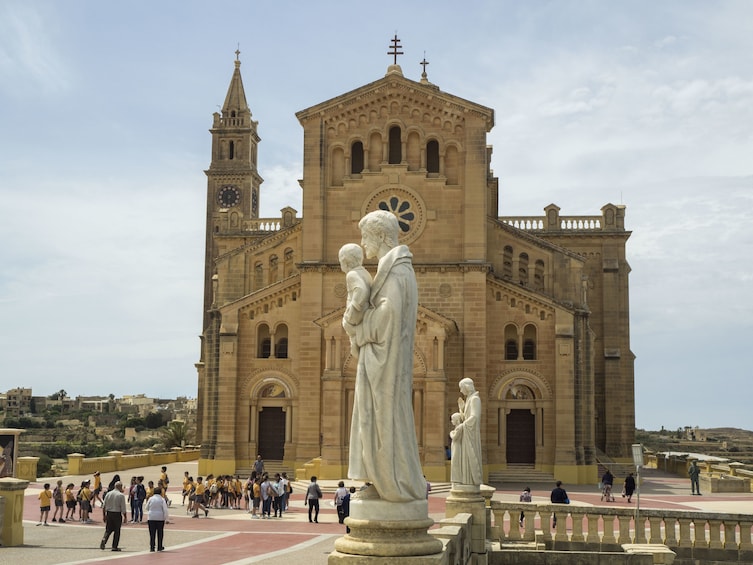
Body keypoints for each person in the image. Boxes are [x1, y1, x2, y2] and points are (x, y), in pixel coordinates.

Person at [344, 210, 425, 503]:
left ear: (379, 236)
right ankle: (380, 480)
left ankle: (389, 480)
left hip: (384, 362)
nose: (363, 245)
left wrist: (357, 326)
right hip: (380, 360)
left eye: (365, 237)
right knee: (374, 420)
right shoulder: (394, 268)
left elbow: (387, 316)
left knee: (380, 418)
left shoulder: (397, 270)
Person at [339, 242, 372, 356]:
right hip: (365, 313)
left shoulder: (352, 274)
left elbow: (361, 290)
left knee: (355, 347)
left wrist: (351, 311)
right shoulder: (365, 273)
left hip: (357, 315)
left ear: (345, 261)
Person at [449, 378, 483, 486]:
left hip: (471, 433)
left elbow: (474, 417)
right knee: (466, 458)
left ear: (467, 387)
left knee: (471, 456)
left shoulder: (474, 399)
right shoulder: (469, 399)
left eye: (461, 388)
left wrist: (461, 426)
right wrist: (462, 409)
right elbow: (466, 417)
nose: (461, 391)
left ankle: (472, 480)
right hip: (467, 432)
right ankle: (466, 480)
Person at [100, 481, 127, 552]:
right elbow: (123, 508)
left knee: (108, 529)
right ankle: (114, 546)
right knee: (117, 531)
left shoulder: (108, 494)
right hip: (117, 514)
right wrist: (125, 517)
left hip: (109, 513)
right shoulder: (121, 495)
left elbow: (104, 506)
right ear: (120, 487)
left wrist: (104, 515)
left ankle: (104, 539)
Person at [146, 485, 169, 552]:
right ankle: (159, 546)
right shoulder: (162, 499)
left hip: (151, 517)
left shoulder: (150, 499)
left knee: (152, 533)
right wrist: (166, 518)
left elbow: (146, 507)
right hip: (160, 518)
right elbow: (165, 510)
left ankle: (152, 547)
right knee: (160, 532)